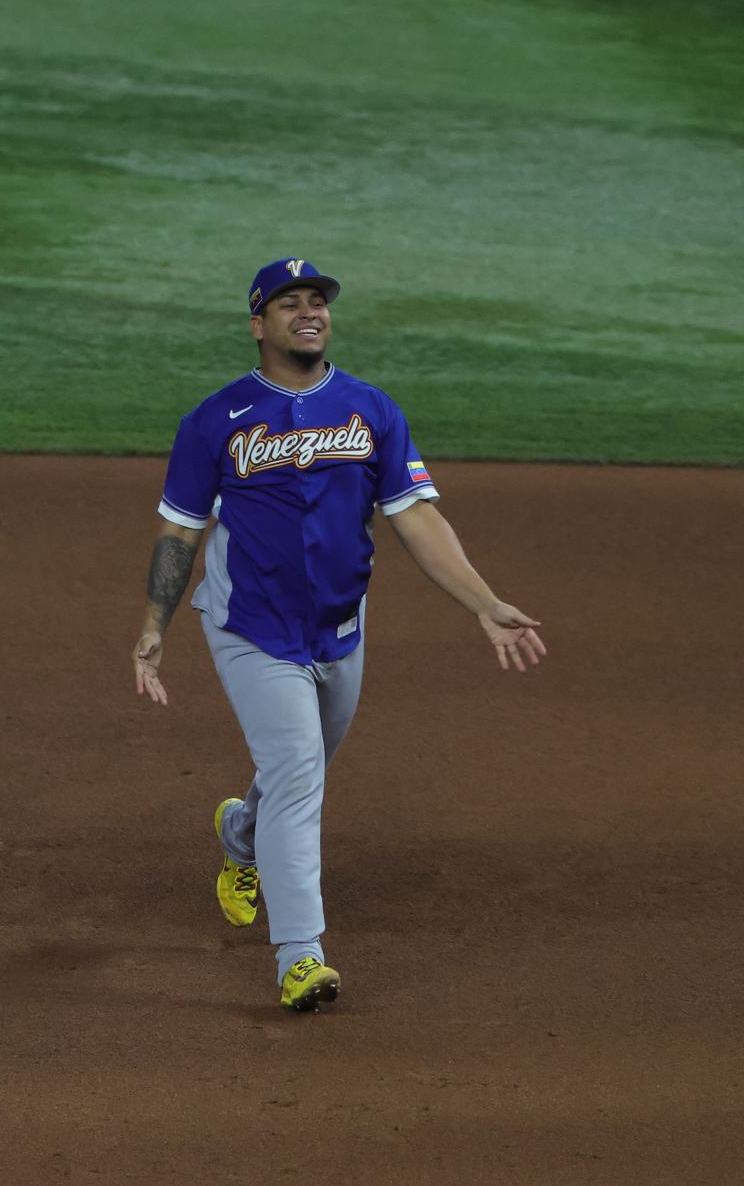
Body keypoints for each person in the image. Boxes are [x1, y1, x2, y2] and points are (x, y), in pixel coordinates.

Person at [130, 257, 546, 1011]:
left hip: (340, 631)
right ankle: (300, 956)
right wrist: (154, 624)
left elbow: (415, 515)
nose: (309, 312)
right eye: (289, 303)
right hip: (250, 629)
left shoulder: (371, 410)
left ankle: (238, 832)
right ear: (258, 324)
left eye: (317, 300)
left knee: (303, 765)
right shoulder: (216, 420)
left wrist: (483, 602)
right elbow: (178, 532)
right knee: (298, 774)